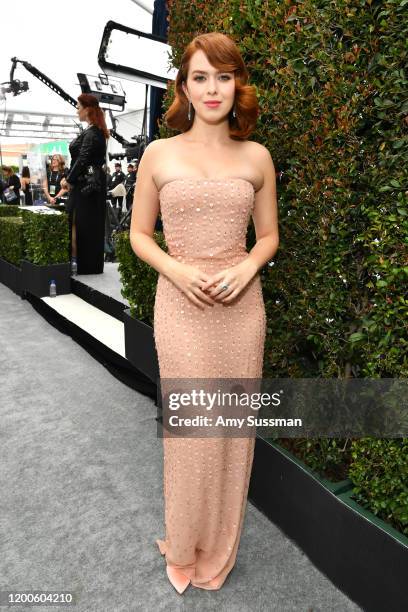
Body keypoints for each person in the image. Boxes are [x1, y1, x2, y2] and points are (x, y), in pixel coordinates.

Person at [129, 32, 278, 593]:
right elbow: (142, 235)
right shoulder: (159, 155)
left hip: (243, 308)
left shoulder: (256, 156)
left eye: (223, 76)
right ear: (184, 88)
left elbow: (268, 237)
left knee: (232, 431)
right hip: (182, 304)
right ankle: (185, 537)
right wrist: (177, 269)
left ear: (236, 84)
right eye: (200, 77)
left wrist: (248, 268)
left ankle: (219, 547)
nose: (212, 88)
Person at [61, 94, 109, 274]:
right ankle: (80, 263)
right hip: (86, 186)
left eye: (78, 106)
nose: (76, 110)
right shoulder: (93, 131)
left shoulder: (92, 132)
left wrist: (69, 179)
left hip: (87, 187)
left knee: (83, 224)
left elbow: (83, 159)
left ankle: (83, 264)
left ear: (87, 109)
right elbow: (80, 160)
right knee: (78, 223)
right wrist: (69, 177)